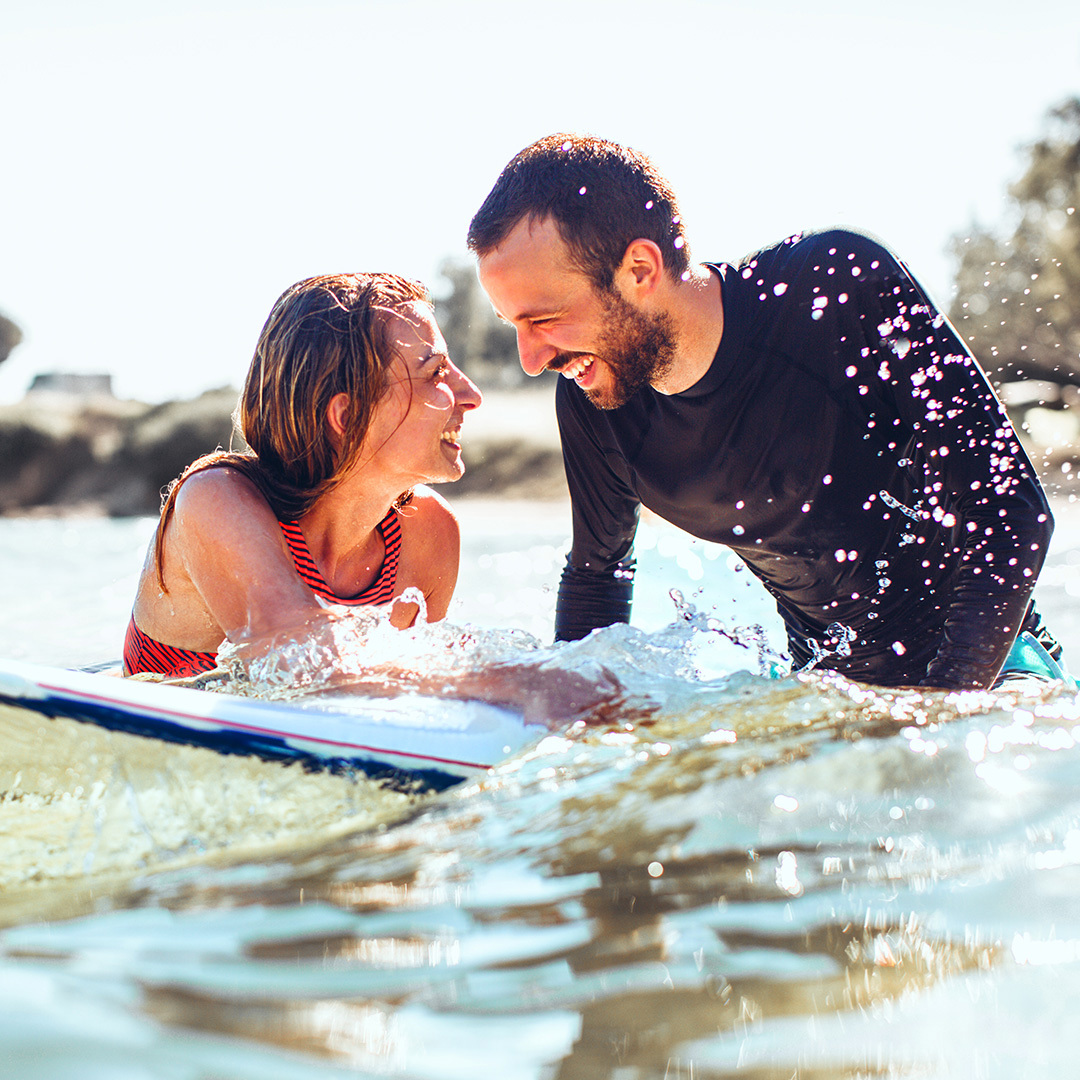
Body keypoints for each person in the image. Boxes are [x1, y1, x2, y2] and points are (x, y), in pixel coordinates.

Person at [468, 133, 1068, 691]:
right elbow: (599, 579)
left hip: (995, 669)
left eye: (541, 319)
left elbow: (1010, 508)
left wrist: (945, 707)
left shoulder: (832, 290)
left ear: (639, 271)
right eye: (512, 326)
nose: (529, 358)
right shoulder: (597, 397)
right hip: (828, 690)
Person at [124, 272, 481, 680]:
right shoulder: (216, 499)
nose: (470, 394)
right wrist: (525, 686)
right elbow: (303, 666)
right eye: (436, 372)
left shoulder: (428, 534)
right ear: (348, 418)